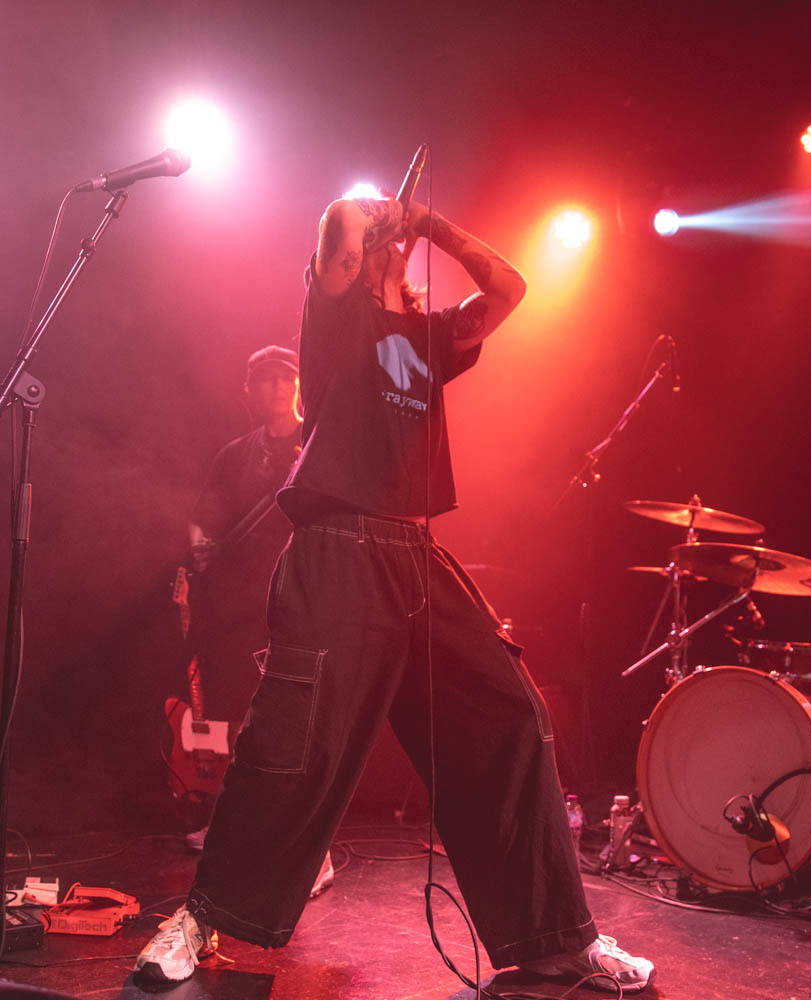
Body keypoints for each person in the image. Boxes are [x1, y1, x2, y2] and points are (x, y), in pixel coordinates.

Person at [136, 191, 655, 992]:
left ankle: (557, 938)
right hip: (337, 550)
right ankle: (199, 919)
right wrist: (382, 215)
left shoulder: (431, 335)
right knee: (291, 744)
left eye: (397, 241)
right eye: (385, 239)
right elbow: (338, 227)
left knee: (512, 717)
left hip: (414, 552)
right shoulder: (338, 319)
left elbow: (511, 288)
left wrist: (435, 226)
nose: (393, 246)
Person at [176, 345, 336, 896]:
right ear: (249, 391)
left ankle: (311, 848)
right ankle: (230, 821)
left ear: (298, 385)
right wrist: (199, 547)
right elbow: (203, 518)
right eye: (264, 380)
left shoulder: (317, 441)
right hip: (237, 606)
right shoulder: (234, 455)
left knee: (293, 718)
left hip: (299, 597)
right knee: (233, 717)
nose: (276, 388)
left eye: (284, 378)